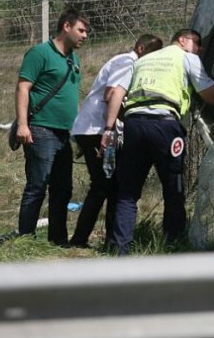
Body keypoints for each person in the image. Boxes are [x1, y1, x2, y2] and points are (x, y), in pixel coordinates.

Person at [111, 28, 214, 254]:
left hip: (134, 124)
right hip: (164, 125)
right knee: (173, 187)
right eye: (197, 42)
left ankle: (118, 250)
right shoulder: (187, 58)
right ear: (182, 41)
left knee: (128, 192)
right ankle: (173, 245)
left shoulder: (143, 60)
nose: (200, 48)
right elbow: (211, 96)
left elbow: (119, 92)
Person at [69, 33, 163, 249]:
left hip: (101, 129)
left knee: (112, 184)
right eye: (150, 55)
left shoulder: (127, 62)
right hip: (97, 129)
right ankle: (80, 240)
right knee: (102, 184)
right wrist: (114, 126)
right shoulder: (127, 62)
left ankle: (110, 241)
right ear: (140, 48)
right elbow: (112, 94)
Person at [14, 8, 88, 246]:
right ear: (67, 26)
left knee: (63, 189)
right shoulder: (40, 53)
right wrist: (23, 125)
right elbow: (23, 88)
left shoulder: (73, 60)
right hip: (40, 129)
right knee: (37, 185)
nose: (85, 35)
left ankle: (57, 239)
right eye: (81, 30)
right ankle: (25, 239)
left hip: (64, 134)